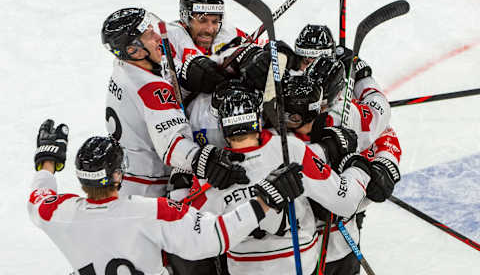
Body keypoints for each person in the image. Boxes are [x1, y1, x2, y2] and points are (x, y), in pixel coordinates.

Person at [28, 119, 305, 275]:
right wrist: (266, 198)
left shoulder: (58, 213)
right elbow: (217, 235)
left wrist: (48, 160)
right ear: (117, 176)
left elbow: (38, 196)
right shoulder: (152, 211)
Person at [185, 83, 373, 275]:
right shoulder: (290, 149)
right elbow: (344, 201)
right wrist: (358, 168)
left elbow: (192, 237)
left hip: (244, 269)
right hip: (298, 265)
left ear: (223, 129)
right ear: (257, 120)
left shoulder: (210, 172)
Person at [101, 7, 251, 198]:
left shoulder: (127, 64)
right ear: (134, 50)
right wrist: (206, 160)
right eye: (149, 35)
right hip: (150, 189)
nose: (157, 37)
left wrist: (193, 72)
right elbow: (171, 144)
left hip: (127, 177)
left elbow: (170, 73)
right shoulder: (150, 88)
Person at [281, 66, 401, 274]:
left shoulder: (348, 111)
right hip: (296, 252)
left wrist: (385, 166)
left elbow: (383, 127)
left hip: (343, 242)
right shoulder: (279, 124)